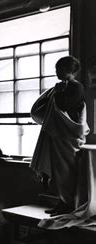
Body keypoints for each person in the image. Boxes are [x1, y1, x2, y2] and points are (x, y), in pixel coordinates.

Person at [30, 56, 89, 216]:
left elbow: (65, 106)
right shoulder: (61, 86)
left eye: (59, 69)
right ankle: (61, 202)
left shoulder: (76, 87)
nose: (56, 72)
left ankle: (68, 204)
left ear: (69, 70)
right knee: (57, 172)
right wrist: (57, 91)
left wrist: (59, 92)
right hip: (58, 134)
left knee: (66, 172)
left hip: (68, 136)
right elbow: (43, 109)